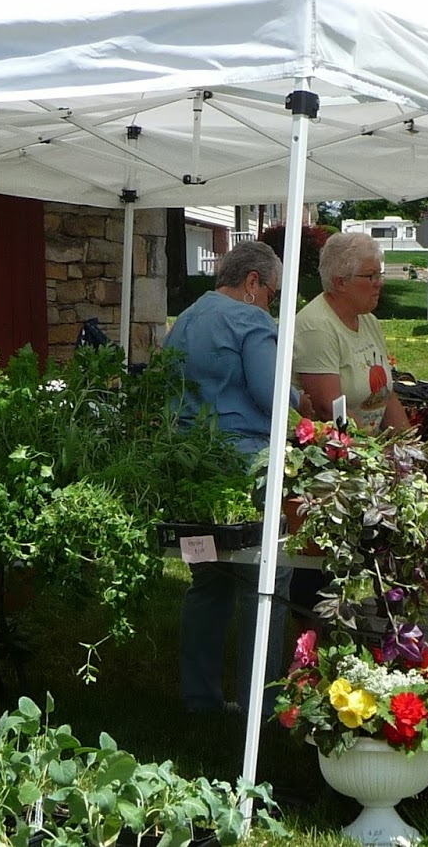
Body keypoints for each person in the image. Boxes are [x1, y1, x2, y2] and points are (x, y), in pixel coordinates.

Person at [163, 240, 295, 714]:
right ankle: (261, 701)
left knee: (208, 578)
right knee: (268, 581)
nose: (271, 303)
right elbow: (272, 394)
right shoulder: (250, 319)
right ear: (253, 282)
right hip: (244, 465)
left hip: (190, 463)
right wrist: (300, 402)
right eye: (272, 293)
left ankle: (199, 698)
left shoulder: (186, 318)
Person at [293, 232, 409, 433]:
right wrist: (378, 454)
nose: (379, 283)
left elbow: (386, 395)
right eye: (370, 275)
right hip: (339, 453)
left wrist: (411, 447)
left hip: (370, 447)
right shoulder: (316, 327)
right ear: (340, 283)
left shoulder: (368, 320)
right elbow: (329, 410)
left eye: (379, 275)